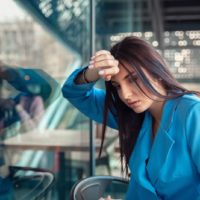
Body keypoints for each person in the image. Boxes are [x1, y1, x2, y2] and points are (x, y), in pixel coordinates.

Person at [62, 36, 200, 200]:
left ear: (157, 73)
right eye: (117, 86)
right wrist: (92, 73)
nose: (125, 95)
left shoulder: (193, 113)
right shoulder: (133, 114)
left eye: (133, 80)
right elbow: (75, 94)